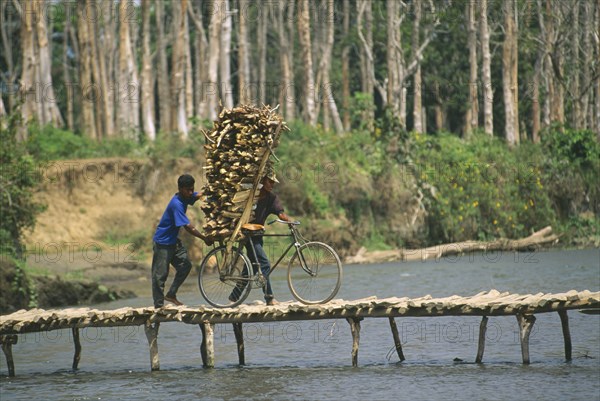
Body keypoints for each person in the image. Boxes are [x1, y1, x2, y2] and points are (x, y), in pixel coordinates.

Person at [231, 170, 292, 306]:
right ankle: (269, 297)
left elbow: (280, 213)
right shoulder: (251, 196)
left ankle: (234, 297)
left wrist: (289, 221)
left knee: (251, 266)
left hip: (258, 235)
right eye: (269, 182)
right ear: (263, 181)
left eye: (273, 183)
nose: (271, 185)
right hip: (247, 235)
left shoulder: (271, 198)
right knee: (264, 264)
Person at [152, 174, 210, 308]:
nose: (190, 192)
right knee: (160, 275)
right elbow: (188, 227)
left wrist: (207, 191)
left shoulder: (185, 197)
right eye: (188, 190)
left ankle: (171, 294)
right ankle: (159, 306)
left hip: (173, 241)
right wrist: (203, 238)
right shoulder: (176, 204)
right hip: (163, 243)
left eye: (192, 189)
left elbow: (196, 195)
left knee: (185, 266)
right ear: (180, 189)